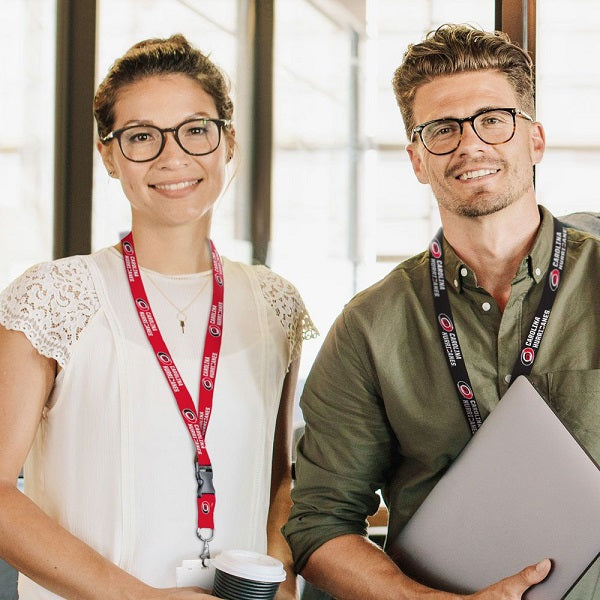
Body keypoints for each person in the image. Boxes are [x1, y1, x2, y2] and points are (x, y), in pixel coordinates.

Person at [283, 24, 600, 600]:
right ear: (415, 159)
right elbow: (319, 524)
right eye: (442, 130)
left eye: (493, 119)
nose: (470, 145)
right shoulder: (368, 328)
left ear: (535, 140)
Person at [0, 34, 316, 599]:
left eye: (196, 130)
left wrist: (279, 577)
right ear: (109, 154)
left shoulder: (276, 303)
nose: (173, 157)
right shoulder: (55, 295)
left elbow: (277, 480)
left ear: (227, 143)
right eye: (142, 137)